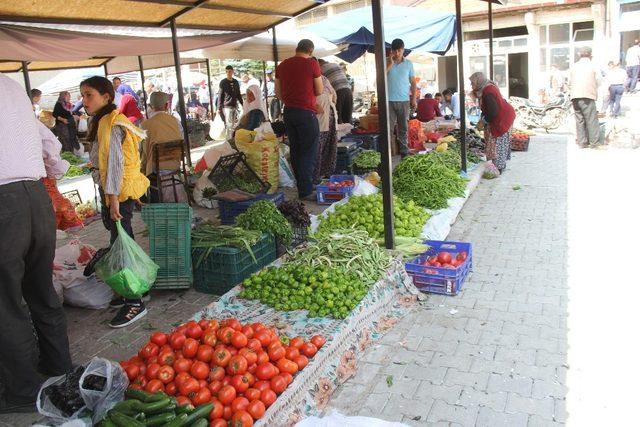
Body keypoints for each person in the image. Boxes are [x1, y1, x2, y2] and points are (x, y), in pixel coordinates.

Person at [0, 73, 73, 414]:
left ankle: (23, 392)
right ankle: (60, 366)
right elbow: (49, 142)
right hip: (35, 195)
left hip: (4, 203)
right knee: (40, 289)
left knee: (6, 302)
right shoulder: (10, 85)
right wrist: (54, 170)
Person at [81, 76, 150, 328]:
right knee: (122, 241)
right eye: (83, 95)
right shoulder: (104, 121)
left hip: (118, 194)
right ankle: (129, 291)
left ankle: (135, 301)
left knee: (122, 245)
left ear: (106, 97)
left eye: (89, 95)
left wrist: (113, 201)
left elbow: (116, 165)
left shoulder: (113, 123)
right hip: (119, 194)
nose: (84, 100)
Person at [275, 39, 323, 199]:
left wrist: (291, 99)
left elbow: (278, 92)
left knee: (296, 150)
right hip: (306, 114)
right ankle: (306, 190)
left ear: (297, 48)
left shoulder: (282, 65)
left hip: (289, 112)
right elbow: (320, 89)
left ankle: (304, 186)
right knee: (308, 151)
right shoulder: (311, 64)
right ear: (310, 51)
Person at [140, 91, 184, 200]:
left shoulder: (145, 125)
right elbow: (182, 139)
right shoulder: (176, 121)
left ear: (150, 106)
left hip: (155, 169)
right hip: (175, 164)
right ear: (166, 105)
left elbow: (142, 150)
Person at [470, 72, 516, 174]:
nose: (471, 85)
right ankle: (499, 165)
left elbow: (493, 112)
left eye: (472, 83)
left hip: (502, 118)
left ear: (479, 82)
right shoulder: (486, 88)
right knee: (498, 142)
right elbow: (488, 109)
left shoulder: (488, 91)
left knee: (498, 142)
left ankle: (498, 168)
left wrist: (483, 121)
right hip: (503, 115)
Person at [386, 38, 417, 157]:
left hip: (404, 101)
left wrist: (413, 99)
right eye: (395, 51)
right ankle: (388, 152)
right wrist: (390, 64)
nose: (397, 53)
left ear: (403, 50)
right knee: (388, 129)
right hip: (388, 101)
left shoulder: (409, 64)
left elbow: (413, 82)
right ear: (391, 51)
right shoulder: (386, 61)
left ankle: (404, 152)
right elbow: (380, 78)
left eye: (399, 51)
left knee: (403, 128)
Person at [569, 47, 601, 148]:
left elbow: (569, 81)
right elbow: (599, 81)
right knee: (591, 119)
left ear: (580, 55)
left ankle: (582, 142)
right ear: (590, 55)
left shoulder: (574, 66)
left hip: (575, 96)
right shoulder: (593, 66)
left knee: (579, 119)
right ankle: (594, 143)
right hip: (587, 95)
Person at [314, 74, 338, 183]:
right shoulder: (311, 79)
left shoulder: (322, 78)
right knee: (320, 147)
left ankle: (324, 173)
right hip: (321, 117)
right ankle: (317, 175)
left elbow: (333, 94)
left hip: (328, 115)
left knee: (327, 145)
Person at [319, 59, 353, 124]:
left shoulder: (321, 69)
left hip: (338, 91)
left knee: (338, 115)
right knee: (348, 114)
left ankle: (340, 132)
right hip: (348, 89)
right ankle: (349, 131)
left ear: (320, 64)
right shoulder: (335, 65)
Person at [218, 65, 244, 142]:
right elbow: (220, 95)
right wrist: (219, 107)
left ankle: (232, 139)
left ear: (232, 71)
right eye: (227, 71)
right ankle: (228, 140)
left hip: (234, 105)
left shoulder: (236, 82)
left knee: (233, 124)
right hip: (227, 106)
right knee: (229, 124)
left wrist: (243, 104)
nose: (229, 73)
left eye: (230, 71)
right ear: (226, 72)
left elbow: (238, 94)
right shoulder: (223, 82)